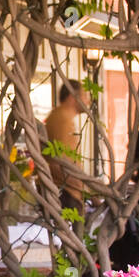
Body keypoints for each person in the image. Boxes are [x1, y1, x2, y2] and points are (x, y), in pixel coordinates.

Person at [44, 81, 85, 209]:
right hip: (65, 194)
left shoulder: (60, 117)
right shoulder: (62, 120)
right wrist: (79, 186)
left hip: (67, 191)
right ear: (72, 96)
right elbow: (57, 162)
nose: (88, 101)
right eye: (84, 95)